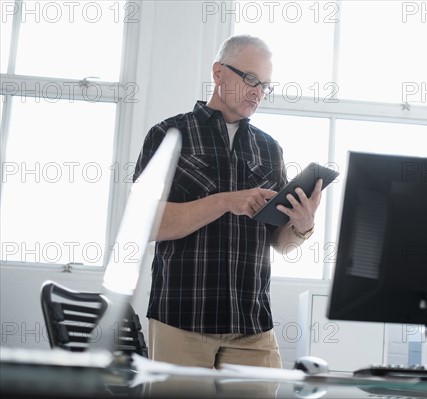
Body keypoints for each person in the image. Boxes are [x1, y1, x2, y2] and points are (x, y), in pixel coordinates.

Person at [132, 34, 323, 369]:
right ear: (218, 73)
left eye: (265, 85)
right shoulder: (168, 135)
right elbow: (144, 225)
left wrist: (302, 227)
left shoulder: (270, 149)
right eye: (250, 79)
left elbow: (279, 243)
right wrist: (223, 202)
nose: (257, 92)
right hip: (181, 320)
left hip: (252, 326)